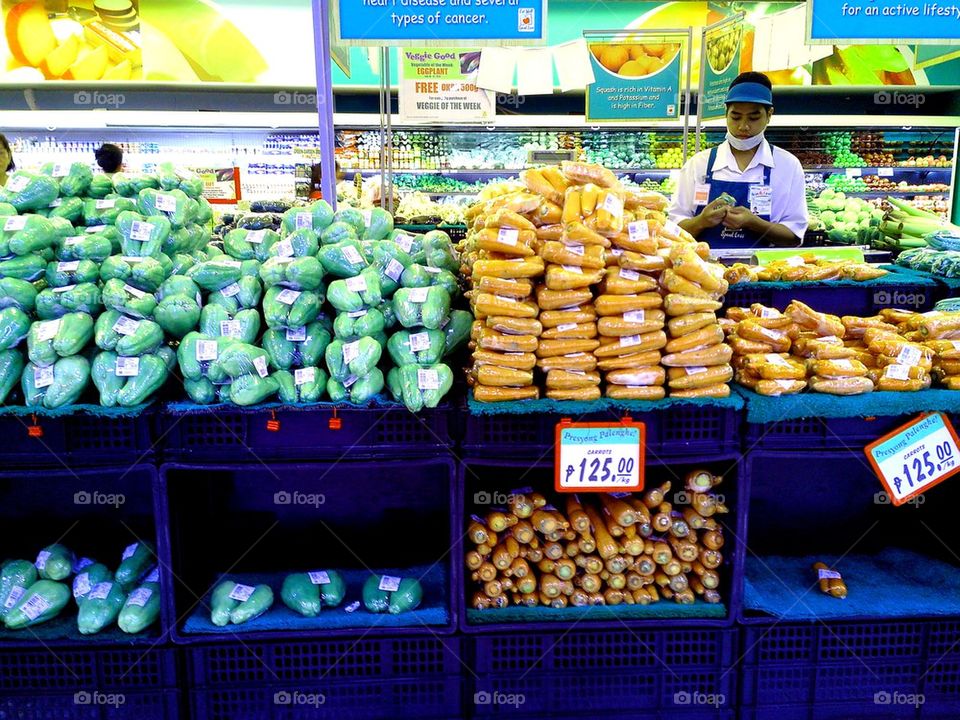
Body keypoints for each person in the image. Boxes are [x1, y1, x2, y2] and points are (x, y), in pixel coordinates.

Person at [669, 72, 807, 248]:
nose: (743, 126)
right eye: (735, 117)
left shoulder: (787, 166)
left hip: (762, 271)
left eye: (754, 117)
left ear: (769, 115)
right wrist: (701, 221)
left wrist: (754, 223)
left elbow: (794, 237)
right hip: (703, 270)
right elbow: (673, 230)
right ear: (726, 113)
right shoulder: (699, 165)